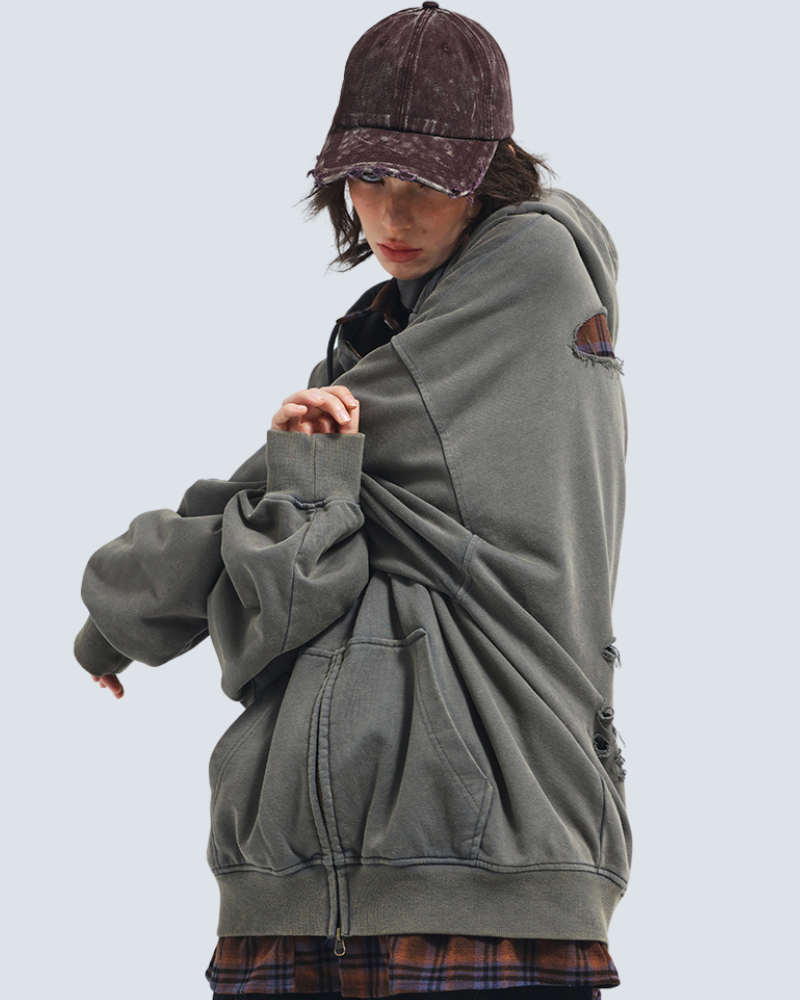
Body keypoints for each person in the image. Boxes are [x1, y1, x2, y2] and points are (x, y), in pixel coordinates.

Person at [75, 4, 630, 999]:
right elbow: (291, 597)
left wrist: (121, 608)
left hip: (482, 873)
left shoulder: (532, 274)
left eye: (425, 182)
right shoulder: (370, 338)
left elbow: (241, 497)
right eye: (368, 178)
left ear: (488, 172)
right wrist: (310, 481)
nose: (391, 215)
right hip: (295, 886)